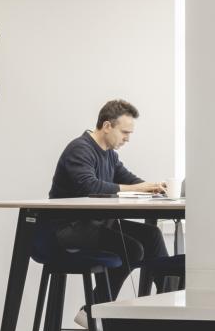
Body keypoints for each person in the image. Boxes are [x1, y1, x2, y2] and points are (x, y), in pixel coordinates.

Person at [49, 99, 171, 300]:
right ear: (107, 126)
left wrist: (155, 188)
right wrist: (138, 188)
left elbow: (129, 179)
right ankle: (96, 308)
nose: (128, 139)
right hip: (69, 228)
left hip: (97, 224)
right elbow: (91, 187)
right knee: (132, 249)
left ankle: (169, 302)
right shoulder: (80, 148)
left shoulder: (110, 155)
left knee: (152, 235)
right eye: (125, 133)